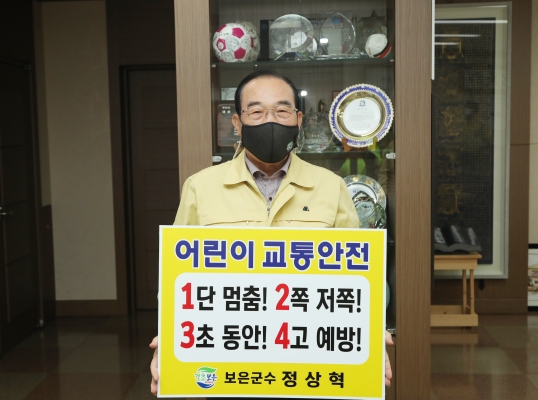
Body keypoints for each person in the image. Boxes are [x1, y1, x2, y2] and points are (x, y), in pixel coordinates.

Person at [150, 70, 393, 395]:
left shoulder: (331, 186)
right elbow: (178, 277)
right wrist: (168, 340)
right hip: (230, 352)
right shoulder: (201, 186)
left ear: (298, 119)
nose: (270, 121)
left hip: (309, 354)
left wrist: (371, 336)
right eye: (256, 111)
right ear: (237, 123)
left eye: (281, 110)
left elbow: (358, 276)